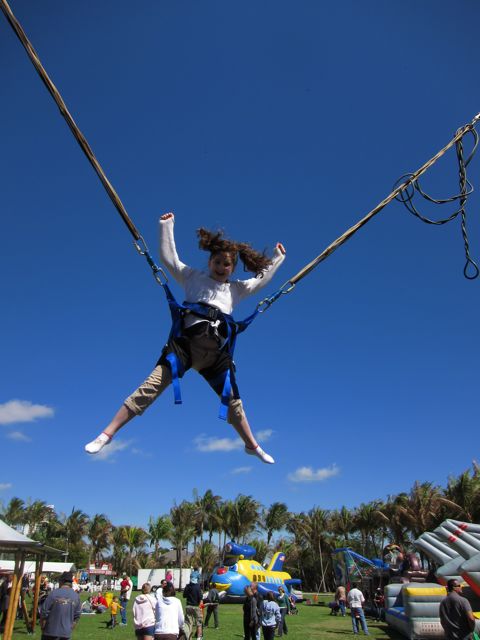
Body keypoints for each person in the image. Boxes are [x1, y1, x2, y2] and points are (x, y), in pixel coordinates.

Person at [85, 213, 286, 464]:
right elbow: (169, 259)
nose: (221, 267)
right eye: (217, 262)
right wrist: (166, 226)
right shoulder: (193, 278)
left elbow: (261, 280)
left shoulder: (236, 290)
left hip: (215, 355)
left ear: (233, 268)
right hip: (185, 348)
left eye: (226, 264)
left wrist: (277, 258)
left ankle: (252, 445)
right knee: (150, 387)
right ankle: (107, 433)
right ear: (210, 261)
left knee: (234, 403)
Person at [40, 571, 81, 640]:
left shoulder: (53, 593)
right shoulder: (76, 596)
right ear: (71, 583)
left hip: (50, 632)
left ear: (61, 581)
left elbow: (44, 612)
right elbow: (77, 616)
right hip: (65, 634)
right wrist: (69, 629)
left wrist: (43, 628)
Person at [183, 573, 203, 640]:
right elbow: (200, 597)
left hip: (188, 606)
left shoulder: (187, 586)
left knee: (189, 623)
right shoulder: (198, 587)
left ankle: (189, 637)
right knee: (199, 623)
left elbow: (184, 596)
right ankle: (198, 638)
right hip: (196, 607)